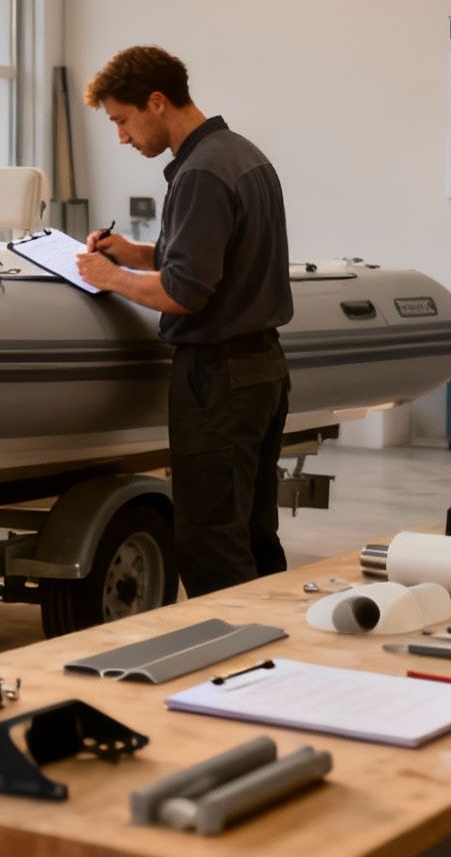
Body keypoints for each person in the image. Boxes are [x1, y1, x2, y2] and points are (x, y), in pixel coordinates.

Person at [74, 45, 294, 597]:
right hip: (263, 369)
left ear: (156, 102)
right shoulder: (243, 155)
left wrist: (107, 277)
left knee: (210, 540)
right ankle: (276, 660)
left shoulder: (200, 174)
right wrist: (134, 253)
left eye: (123, 121)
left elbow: (184, 293)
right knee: (252, 530)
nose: (122, 137)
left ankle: (231, 671)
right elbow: (215, 260)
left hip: (217, 379)